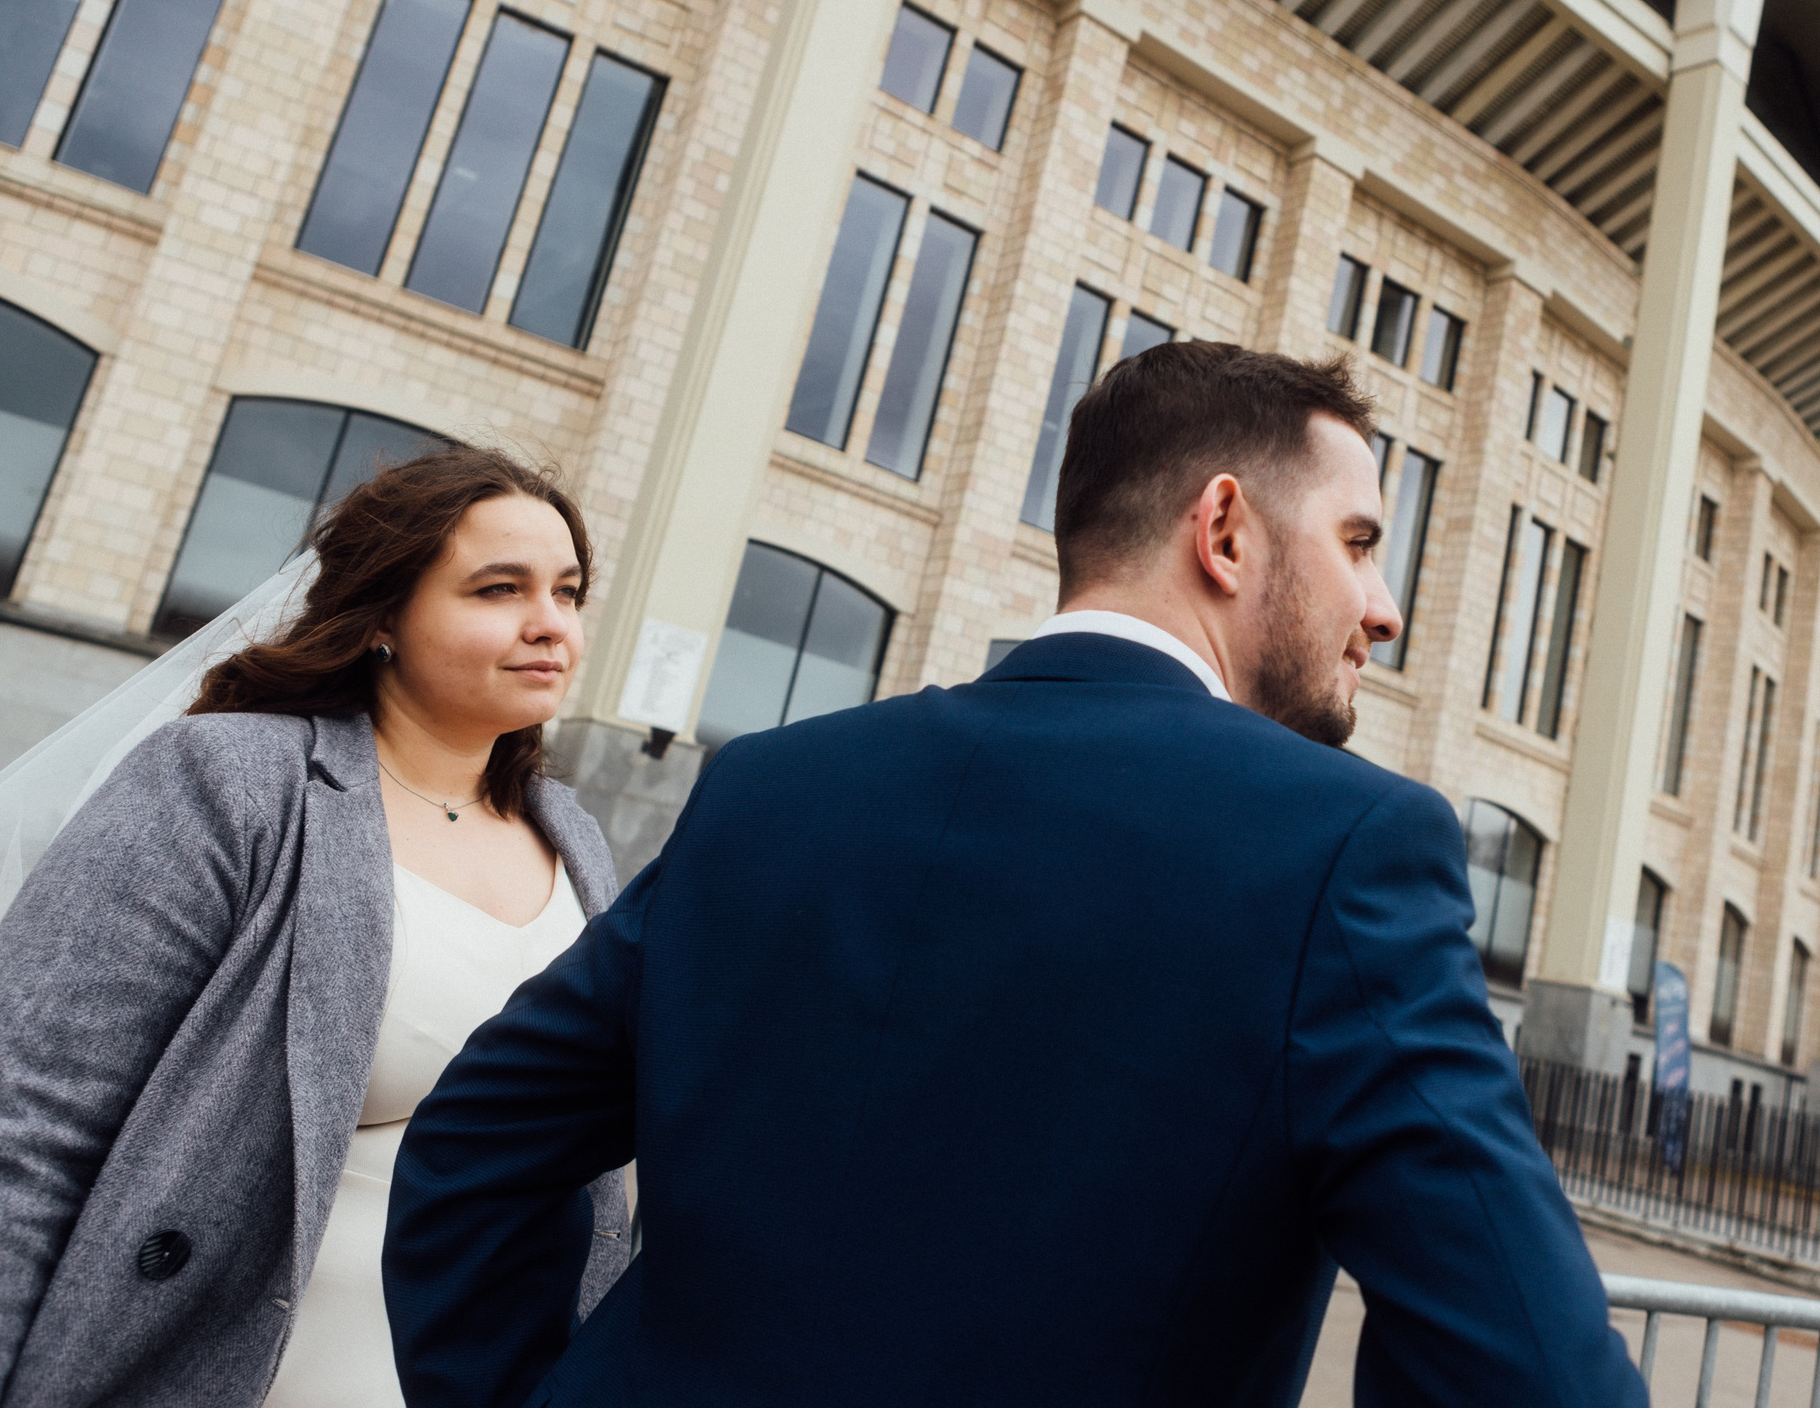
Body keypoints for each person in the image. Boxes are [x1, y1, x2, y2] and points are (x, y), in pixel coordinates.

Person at [384, 344, 1647, 1408]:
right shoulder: (1348, 850)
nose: (1382, 609)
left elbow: (478, 1139)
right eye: (1360, 543)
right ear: (1222, 530)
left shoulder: (776, 787)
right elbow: (1536, 1370)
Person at [0, 446, 630, 1408]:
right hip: (219, 1363)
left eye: (570, 590)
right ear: (384, 614)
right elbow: (10, 1134)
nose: (550, 623)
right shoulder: (227, 783)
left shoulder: (580, 843)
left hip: (480, 1371)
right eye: (497, 588)